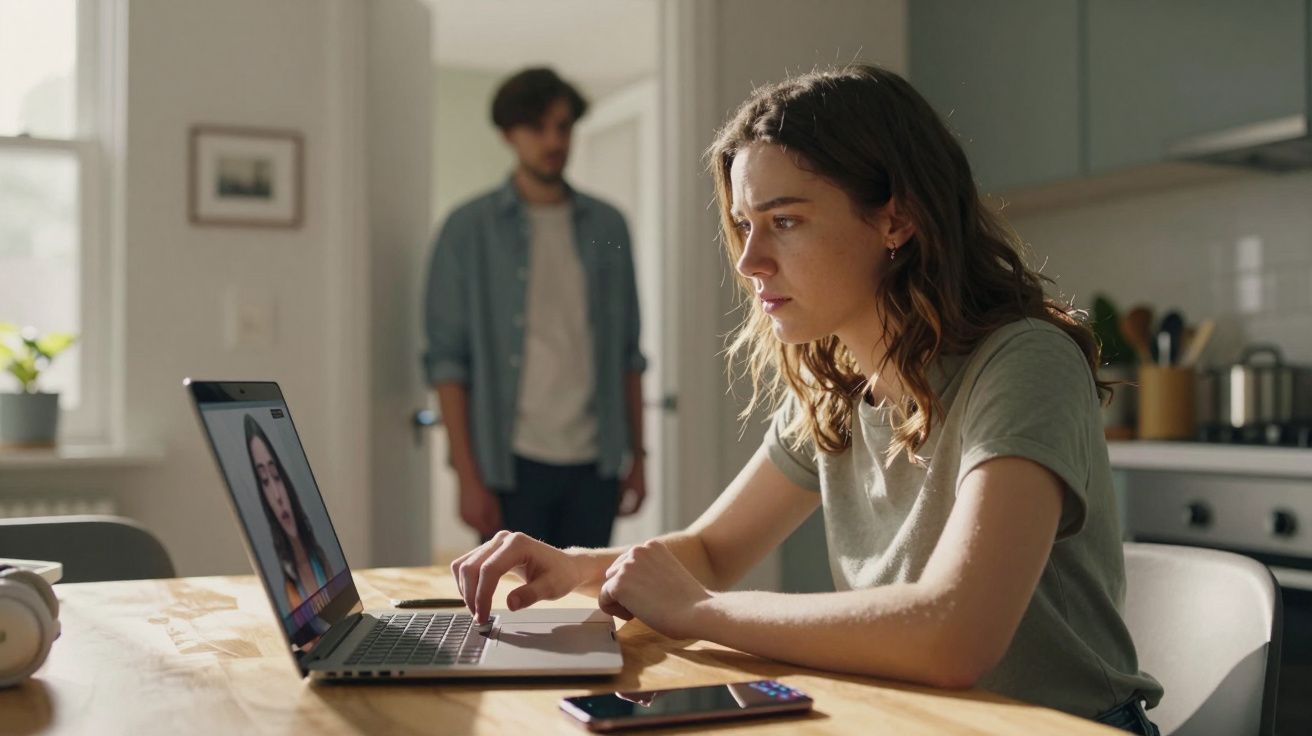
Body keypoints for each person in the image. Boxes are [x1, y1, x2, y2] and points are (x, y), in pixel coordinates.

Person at [447, 64, 1164, 734]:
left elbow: (956, 636)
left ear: (896, 218)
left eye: (784, 221)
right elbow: (710, 549)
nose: (750, 260)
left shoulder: (1024, 362)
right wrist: (581, 566)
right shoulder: (836, 389)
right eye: (745, 223)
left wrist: (702, 612)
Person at [423, 67, 647, 549]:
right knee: (512, 610)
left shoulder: (608, 225)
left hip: (596, 462)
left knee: (588, 608)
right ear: (509, 134)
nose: (554, 140)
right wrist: (467, 475)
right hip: (510, 465)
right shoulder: (468, 230)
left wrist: (639, 459)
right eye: (537, 127)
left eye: (563, 126)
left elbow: (628, 351)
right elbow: (447, 363)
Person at [245, 414, 332, 610]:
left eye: (275, 475)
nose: (277, 495)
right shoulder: (288, 586)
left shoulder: (321, 560)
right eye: (265, 481)